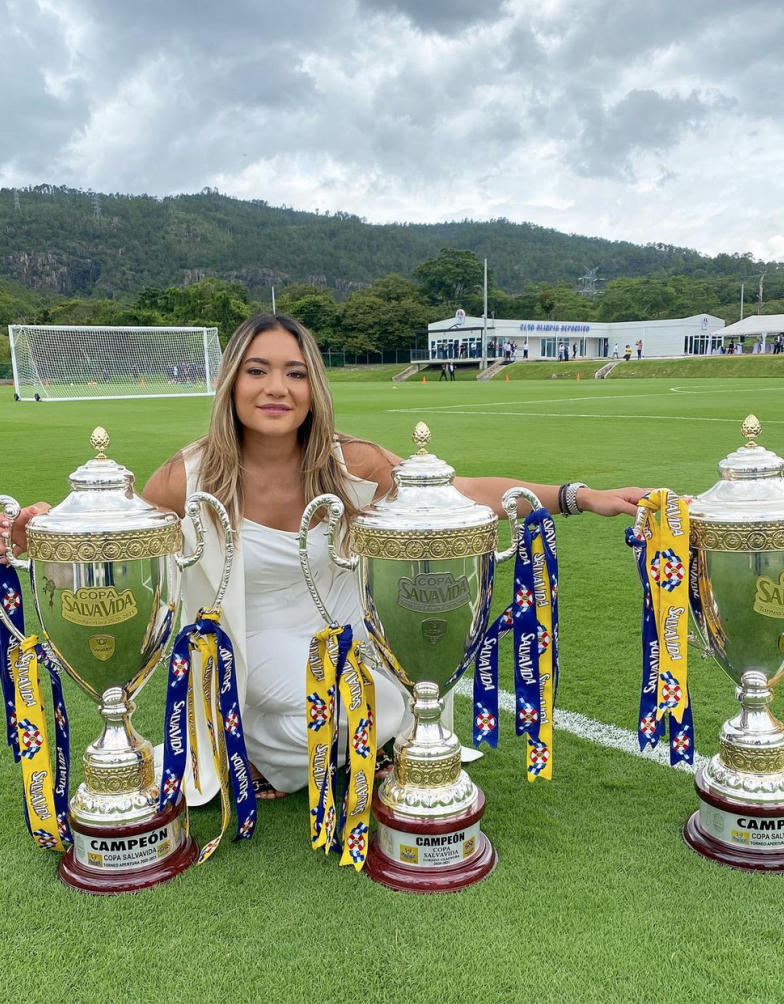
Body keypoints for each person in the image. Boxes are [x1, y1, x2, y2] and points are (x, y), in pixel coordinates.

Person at [1, 314, 646, 804]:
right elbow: (113, 534)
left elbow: (458, 495)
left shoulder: (350, 464)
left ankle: (285, 753)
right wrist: (36, 529)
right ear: (232, 382)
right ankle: (256, 747)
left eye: (295, 371)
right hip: (255, 644)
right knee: (351, 707)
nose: (276, 387)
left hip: (354, 633)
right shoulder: (189, 476)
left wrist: (577, 496)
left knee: (404, 690)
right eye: (257, 370)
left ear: (313, 386)